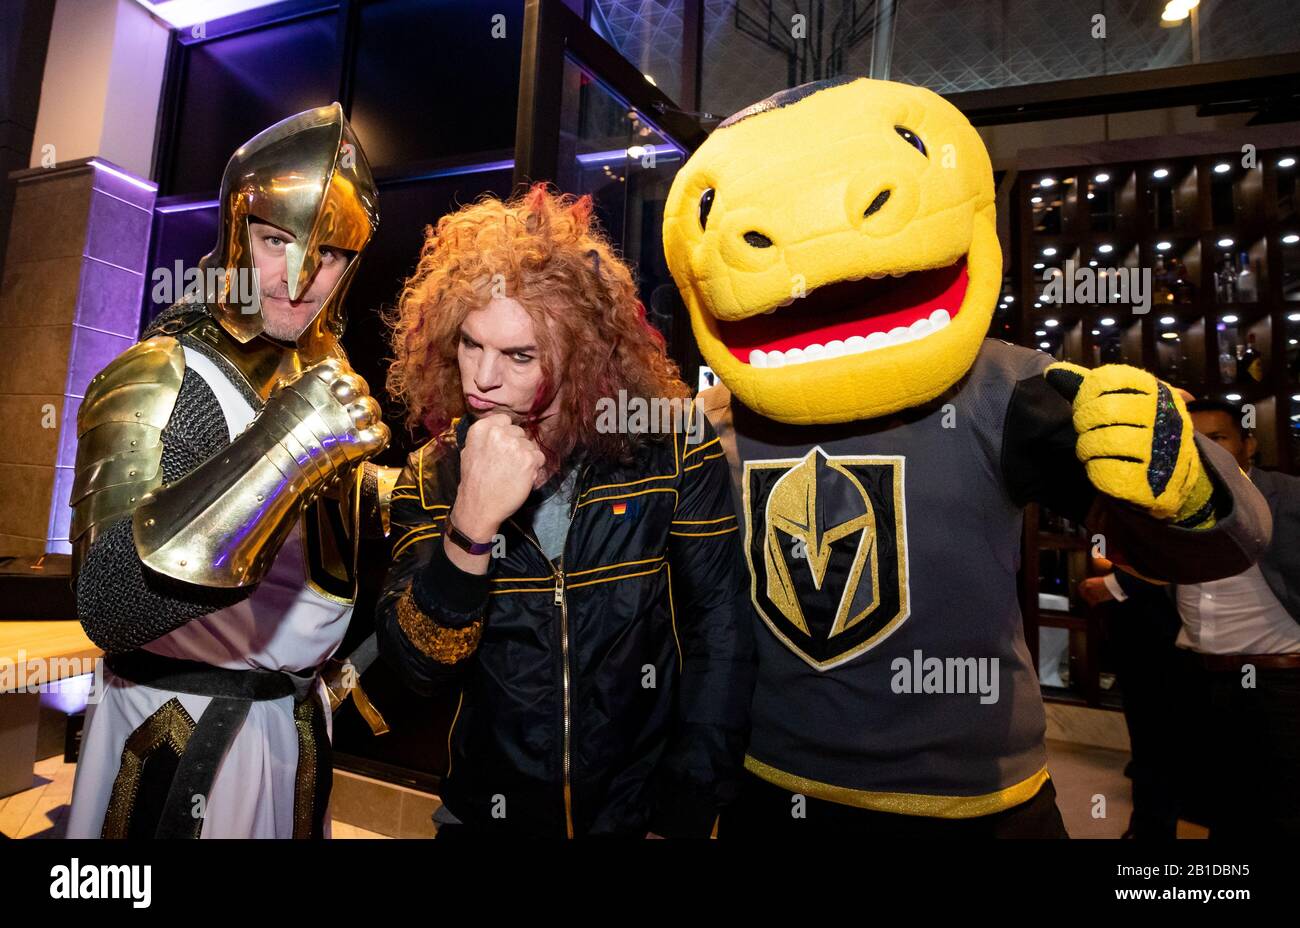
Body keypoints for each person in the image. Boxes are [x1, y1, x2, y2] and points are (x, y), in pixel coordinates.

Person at [660, 76, 1271, 838]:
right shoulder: (716, 426)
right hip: (775, 786)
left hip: (980, 800)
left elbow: (1224, 541)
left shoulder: (1003, 388)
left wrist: (1187, 483)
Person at [376, 185, 755, 838]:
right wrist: (471, 526)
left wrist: (684, 810)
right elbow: (419, 673)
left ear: (580, 357)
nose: (482, 378)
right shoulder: (434, 474)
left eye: (518, 355)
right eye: (470, 344)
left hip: (634, 819)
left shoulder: (670, 449)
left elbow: (719, 635)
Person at [67, 104, 393, 839]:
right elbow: (109, 602)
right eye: (277, 240)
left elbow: (315, 542)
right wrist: (287, 447)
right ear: (236, 229)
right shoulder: (161, 372)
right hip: (174, 729)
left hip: (293, 730)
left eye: (329, 253)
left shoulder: (317, 367)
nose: (300, 279)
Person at [1095, 398, 1300, 837]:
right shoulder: (1172, 507)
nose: (1204, 448)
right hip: (1201, 679)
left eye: (1218, 437)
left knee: (1282, 813)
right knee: (1221, 809)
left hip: (1281, 683)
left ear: (1249, 444)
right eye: (1191, 439)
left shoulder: (1288, 496)